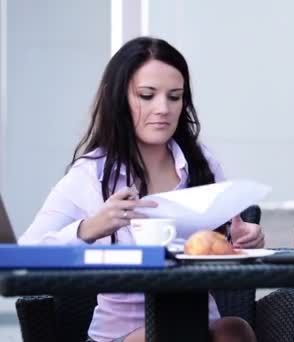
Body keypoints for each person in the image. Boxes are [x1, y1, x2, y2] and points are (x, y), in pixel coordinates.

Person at [19, 36, 262, 342]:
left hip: (199, 325)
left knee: (234, 330)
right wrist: (88, 229)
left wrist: (239, 241)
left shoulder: (202, 163)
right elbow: (25, 256)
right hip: (122, 336)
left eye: (174, 97)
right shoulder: (92, 174)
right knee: (166, 336)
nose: (163, 108)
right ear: (121, 99)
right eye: (147, 95)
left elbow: (221, 246)